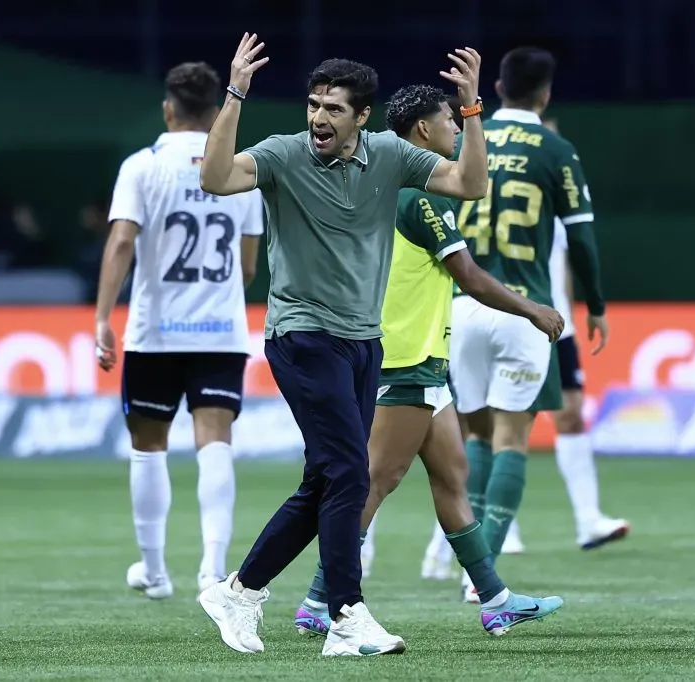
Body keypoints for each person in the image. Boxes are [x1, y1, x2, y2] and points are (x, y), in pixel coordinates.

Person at [196, 33, 488, 656]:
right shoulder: (281, 155)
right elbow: (216, 177)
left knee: (326, 481)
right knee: (350, 472)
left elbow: (469, 184)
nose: (318, 117)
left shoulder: (388, 156)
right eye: (313, 104)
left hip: (363, 342)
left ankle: (239, 592)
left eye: (333, 108)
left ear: (361, 117)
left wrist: (469, 111)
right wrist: (236, 92)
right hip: (301, 335)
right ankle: (346, 616)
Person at [291, 84, 566, 640]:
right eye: (451, 122)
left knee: (451, 477)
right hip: (404, 357)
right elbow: (468, 276)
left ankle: (495, 599)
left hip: (414, 356)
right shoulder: (417, 195)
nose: (457, 132)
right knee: (375, 481)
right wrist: (531, 309)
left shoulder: (370, 178)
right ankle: (321, 600)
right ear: (424, 130)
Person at [93, 61, 264, 600]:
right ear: (216, 112)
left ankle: (155, 569)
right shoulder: (241, 169)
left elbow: (122, 243)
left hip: (157, 331)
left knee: (149, 446)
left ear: (168, 109)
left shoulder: (142, 167)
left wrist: (102, 317)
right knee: (215, 442)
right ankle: (213, 571)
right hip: (219, 329)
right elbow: (248, 267)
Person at [449, 47, 610, 603]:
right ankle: (483, 575)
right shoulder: (556, 148)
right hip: (524, 310)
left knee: (474, 436)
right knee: (514, 436)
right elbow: (582, 239)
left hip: (461, 306)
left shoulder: (465, 139)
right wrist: (597, 306)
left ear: (497, 87)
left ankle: (469, 563)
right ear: (545, 95)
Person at [498, 117, 629, 556]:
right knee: (504, 425)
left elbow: (566, 260)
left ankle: (588, 520)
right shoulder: (499, 188)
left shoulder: (558, 193)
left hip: (558, 324)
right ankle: (503, 529)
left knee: (570, 414)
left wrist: (574, 313)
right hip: (516, 317)